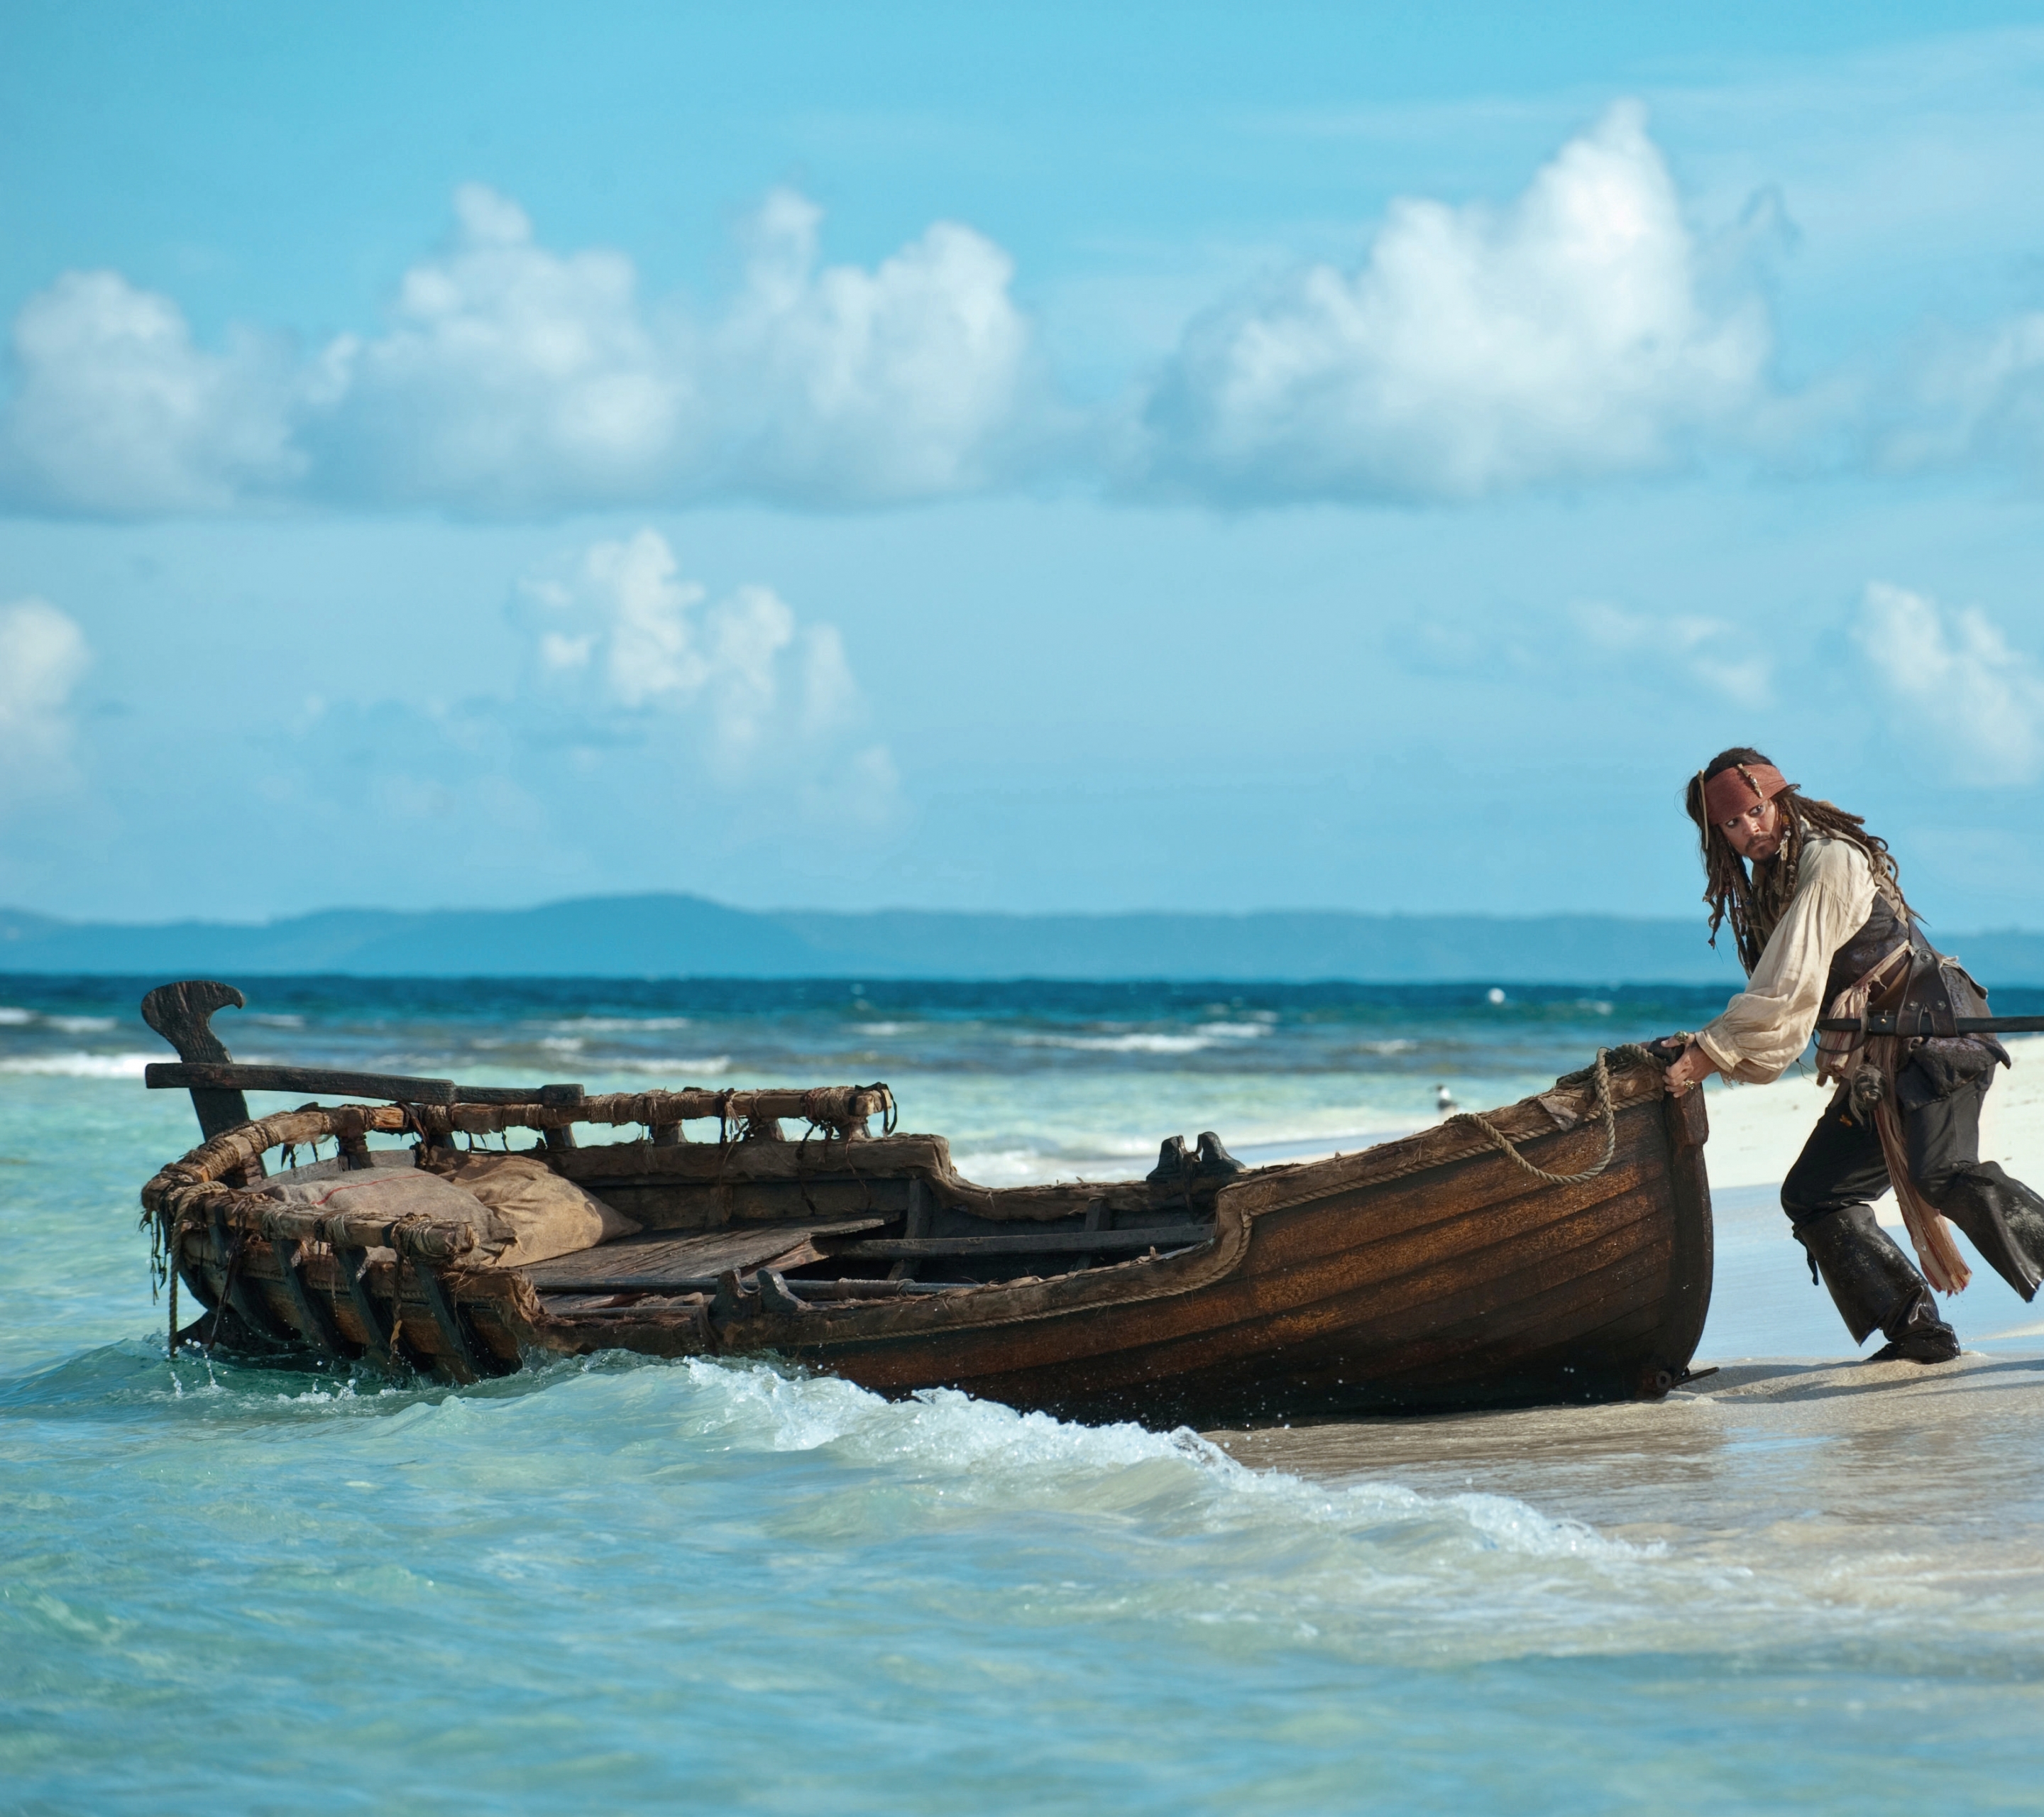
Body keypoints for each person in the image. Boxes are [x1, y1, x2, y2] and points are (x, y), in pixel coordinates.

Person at [1661, 748, 2044, 1362]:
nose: (1749, 830)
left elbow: (1788, 984)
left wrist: (1713, 1052)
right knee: (1815, 1194)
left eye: (1756, 812)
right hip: (1879, 1064)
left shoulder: (1830, 860)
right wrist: (1706, 1044)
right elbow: (1789, 988)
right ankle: (1918, 1333)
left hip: (1938, 1038)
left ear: (1779, 801)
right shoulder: (1770, 884)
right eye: (1731, 825)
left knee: (1940, 1172)